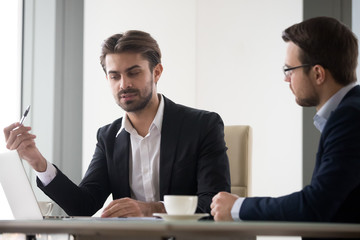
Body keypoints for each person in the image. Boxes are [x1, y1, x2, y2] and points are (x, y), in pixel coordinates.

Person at [4, 30, 230, 217]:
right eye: (115, 76)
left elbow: (214, 204)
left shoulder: (202, 126)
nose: (124, 84)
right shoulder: (108, 137)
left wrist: (149, 209)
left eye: (134, 73)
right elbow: (84, 206)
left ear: (157, 72)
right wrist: (38, 162)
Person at [211, 16, 360, 225]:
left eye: (289, 70)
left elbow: (315, 205)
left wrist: (238, 207)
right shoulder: (348, 112)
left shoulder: (350, 118)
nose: (286, 79)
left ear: (318, 73)